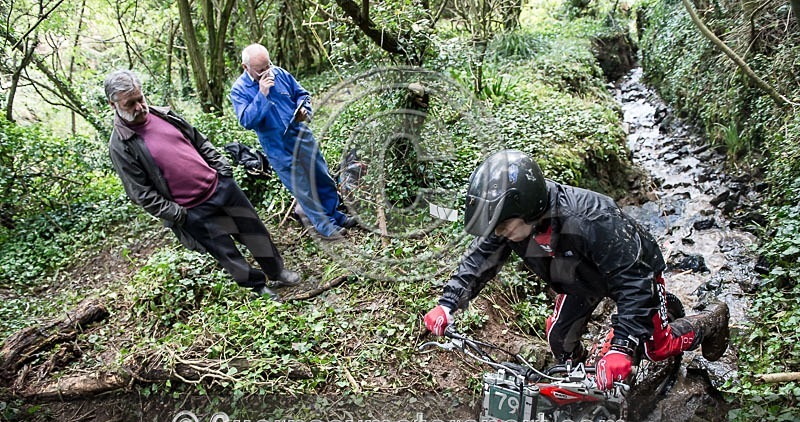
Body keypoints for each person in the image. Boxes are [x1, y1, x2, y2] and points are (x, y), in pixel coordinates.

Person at [423, 150, 730, 390]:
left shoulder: (591, 219)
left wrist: (622, 347)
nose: (499, 233)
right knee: (560, 339)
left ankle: (712, 321)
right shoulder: (511, 224)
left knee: (658, 348)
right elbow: (480, 260)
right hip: (579, 278)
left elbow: (634, 281)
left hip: (635, 271)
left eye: (503, 226)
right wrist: (448, 304)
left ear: (528, 210)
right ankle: (586, 388)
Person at [104, 69, 299, 301]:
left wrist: (222, 170)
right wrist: (179, 214)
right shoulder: (121, 145)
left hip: (220, 187)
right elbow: (141, 194)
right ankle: (258, 287)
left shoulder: (164, 115)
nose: (139, 107)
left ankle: (277, 271)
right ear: (113, 104)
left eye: (140, 99)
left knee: (253, 230)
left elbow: (198, 140)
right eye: (130, 104)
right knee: (225, 251)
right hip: (192, 210)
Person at [230, 43, 356, 240]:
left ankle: (336, 215)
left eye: (268, 66)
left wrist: (303, 109)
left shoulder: (280, 73)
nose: (267, 72)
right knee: (302, 187)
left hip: (300, 134)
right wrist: (261, 94)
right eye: (261, 70)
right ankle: (324, 225)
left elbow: (302, 94)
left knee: (321, 176)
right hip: (276, 145)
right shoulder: (239, 90)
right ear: (246, 67)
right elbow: (247, 121)